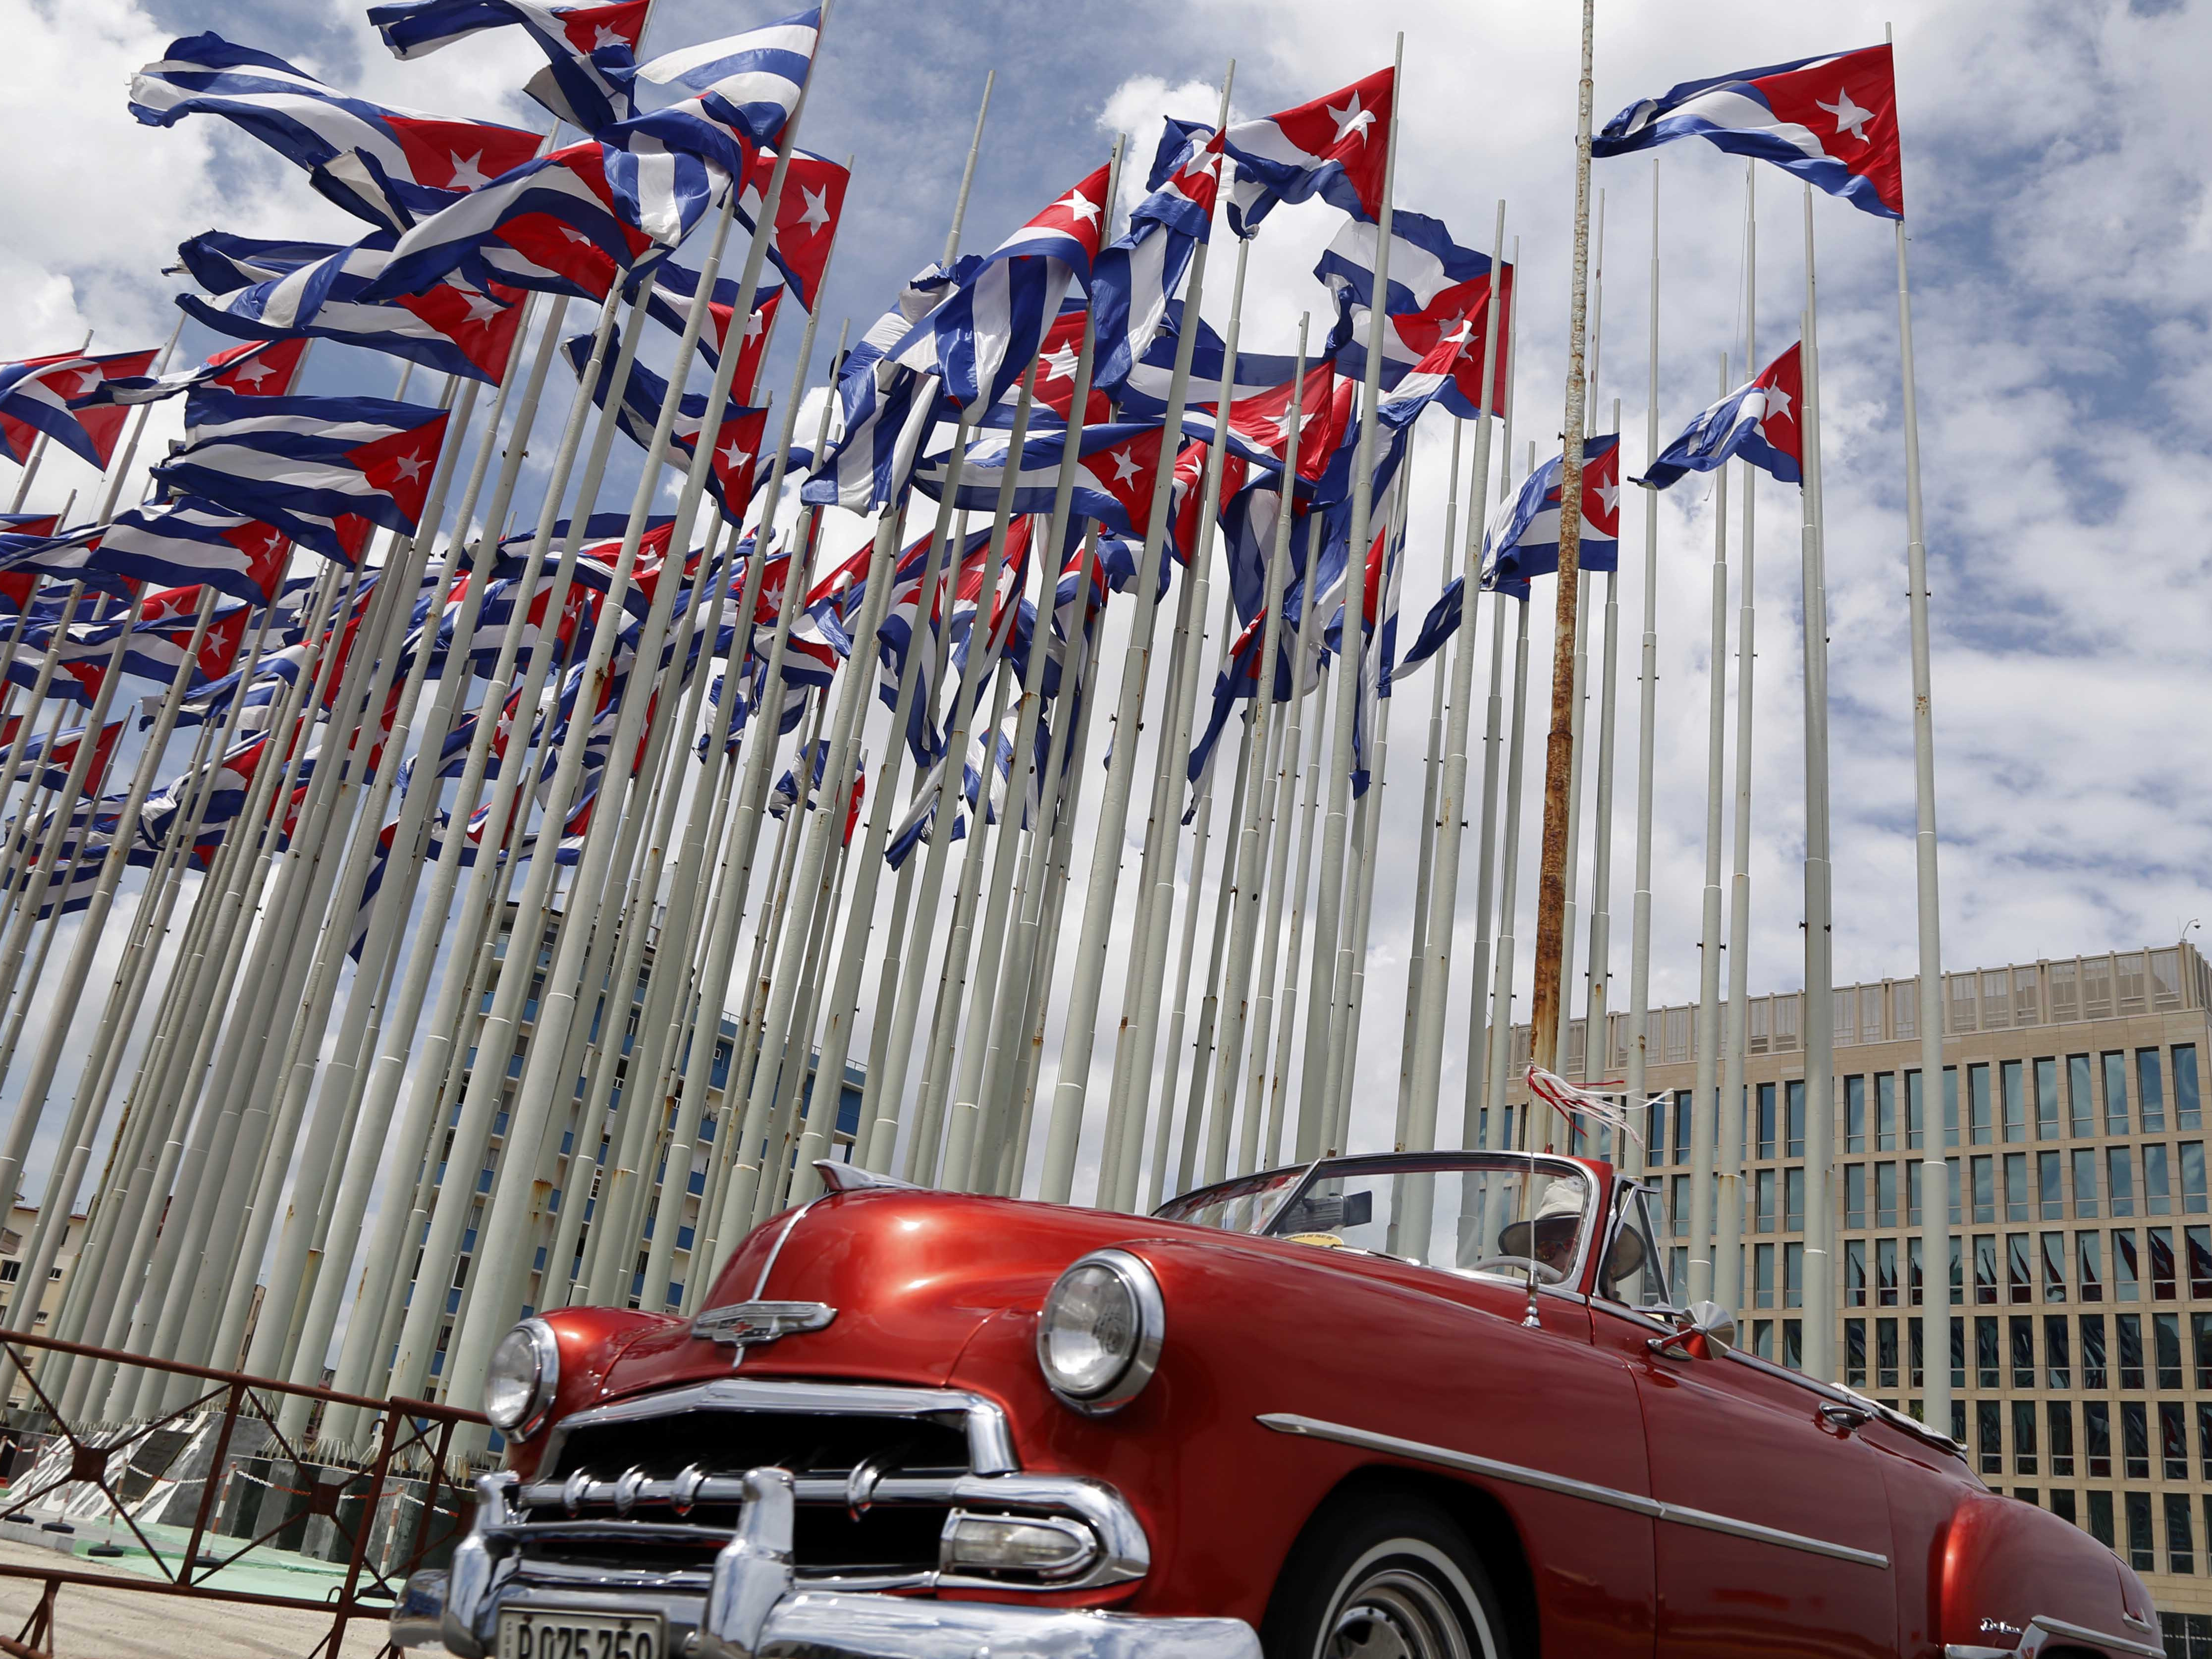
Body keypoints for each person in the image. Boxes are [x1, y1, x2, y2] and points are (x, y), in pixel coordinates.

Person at [1494, 1179, 1586, 1283]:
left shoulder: (1605, 1293)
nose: (1556, 1260)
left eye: (1572, 1245)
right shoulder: (1527, 1296)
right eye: (1546, 1250)